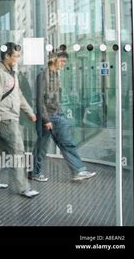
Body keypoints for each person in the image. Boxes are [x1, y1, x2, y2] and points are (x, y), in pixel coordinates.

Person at [0, 42, 39, 198]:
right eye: (15, 56)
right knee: (18, 152)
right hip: (5, 118)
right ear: (6, 56)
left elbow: (19, 96)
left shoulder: (11, 72)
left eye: (19, 56)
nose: (18, 59)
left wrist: (29, 112)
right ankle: (24, 188)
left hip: (11, 116)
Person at [31, 51, 96, 182]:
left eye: (64, 61)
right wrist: (46, 119)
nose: (63, 64)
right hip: (48, 117)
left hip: (56, 115)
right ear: (53, 60)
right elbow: (39, 100)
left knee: (66, 143)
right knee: (42, 147)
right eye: (61, 61)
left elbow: (56, 98)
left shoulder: (56, 75)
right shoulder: (43, 76)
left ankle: (79, 170)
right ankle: (35, 172)